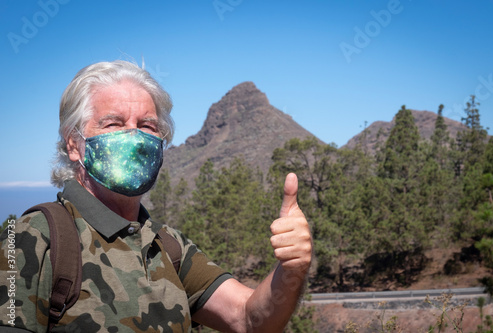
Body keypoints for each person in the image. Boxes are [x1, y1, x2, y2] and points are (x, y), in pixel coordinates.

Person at [0, 60, 312, 332]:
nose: (134, 138)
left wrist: (292, 269)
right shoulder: (31, 238)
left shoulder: (169, 246)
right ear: (73, 145)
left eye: (147, 126)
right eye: (114, 123)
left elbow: (249, 320)